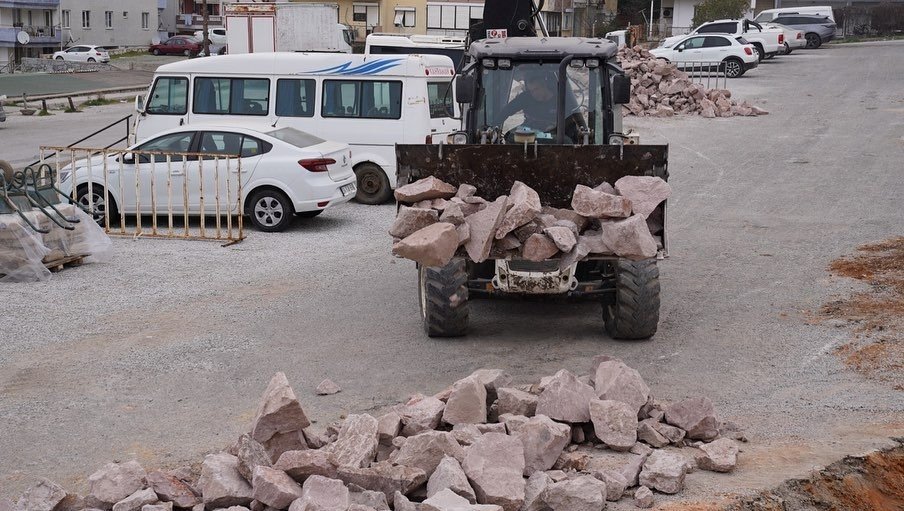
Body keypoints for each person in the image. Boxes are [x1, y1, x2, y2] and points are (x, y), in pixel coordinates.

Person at [496, 70, 584, 140]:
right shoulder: (526, 97)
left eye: (536, 89)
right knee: (509, 137)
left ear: (544, 85)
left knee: (566, 141)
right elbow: (506, 111)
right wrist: (493, 126)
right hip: (531, 131)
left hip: (556, 134)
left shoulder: (561, 99)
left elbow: (571, 121)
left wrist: (555, 128)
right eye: (531, 91)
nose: (534, 93)